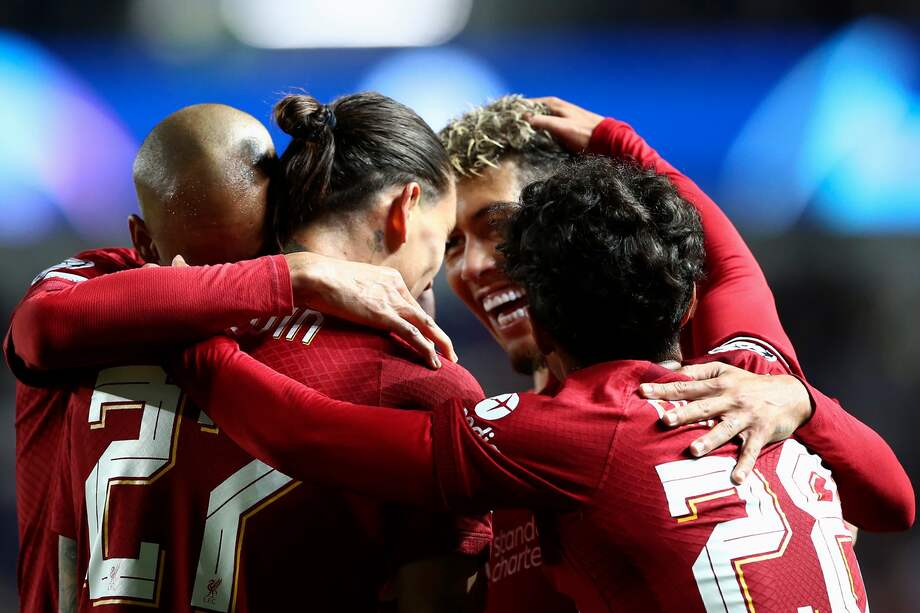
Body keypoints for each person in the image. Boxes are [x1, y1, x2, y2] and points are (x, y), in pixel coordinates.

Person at [169, 155, 914, 612]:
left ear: (541, 311)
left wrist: (184, 318)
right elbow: (895, 499)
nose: (470, 267)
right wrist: (804, 400)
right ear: (687, 304)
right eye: (453, 242)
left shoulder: (555, 433)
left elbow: (305, 432)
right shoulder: (753, 380)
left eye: (496, 232)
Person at [3, 103, 458, 612]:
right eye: (200, 269)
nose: (230, 299)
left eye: (253, 256)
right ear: (143, 243)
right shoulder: (408, 376)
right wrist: (291, 276)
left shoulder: (97, 303)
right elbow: (38, 330)